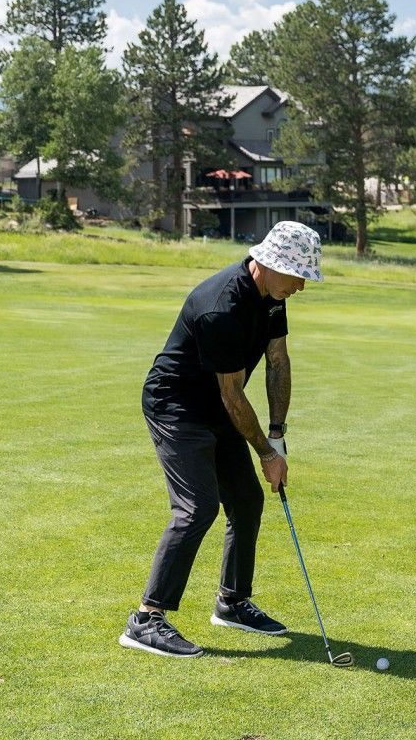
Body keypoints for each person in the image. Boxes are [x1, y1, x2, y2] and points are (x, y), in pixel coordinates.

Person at [120, 221, 324, 658]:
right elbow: (231, 393)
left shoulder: (273, 297)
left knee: (247, 500)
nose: (302, 287)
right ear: (268, 264)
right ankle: (145, 619)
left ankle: (231, 602)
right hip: (177, 406)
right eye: (297, 275)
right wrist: (266, 454)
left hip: (218, 406)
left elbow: (277, 362)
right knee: (197, 507)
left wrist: (277, 435)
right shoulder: (222, 306)